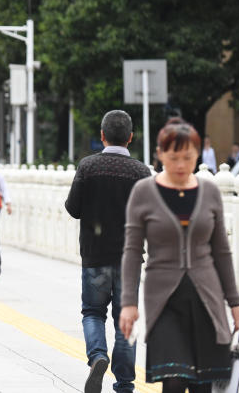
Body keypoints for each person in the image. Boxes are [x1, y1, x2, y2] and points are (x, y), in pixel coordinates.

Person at [119, 118, 239, 393]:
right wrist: (128, 302)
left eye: (188, 157)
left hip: (207, 301)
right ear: (160, 154)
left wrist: (234, 302)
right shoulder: (143, 192)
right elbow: (132, 251)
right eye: (173, 157)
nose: (180, 164)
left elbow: (222, 251)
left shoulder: (210, 192)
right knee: (175, 379)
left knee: (204, 385)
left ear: (198, 155)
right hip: (164, 302)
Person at [64, 110, 151, 393]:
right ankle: (124, 383)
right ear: (130, 137)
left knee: (92, 312)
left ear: (102, 136)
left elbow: (73, 208)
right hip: (129, 258)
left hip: (94, 256)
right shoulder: (141, 172)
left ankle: (98, 356)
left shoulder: (87, 167)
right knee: (126, 317)